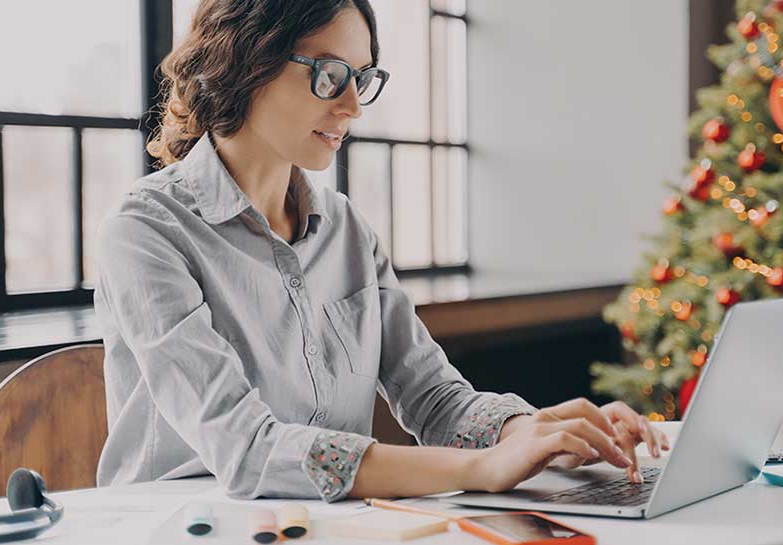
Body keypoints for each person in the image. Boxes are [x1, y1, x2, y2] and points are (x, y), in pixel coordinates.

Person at [94, 0, 669, 503]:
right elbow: (248, 450)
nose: (352, 106)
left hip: (325, 526)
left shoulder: (347, 230)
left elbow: (435, 401)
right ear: (247, 60)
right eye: (329, 75)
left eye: (361, 78)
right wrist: (478, 468)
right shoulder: (147, 231)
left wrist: (535, 436)